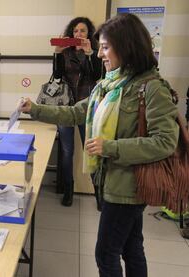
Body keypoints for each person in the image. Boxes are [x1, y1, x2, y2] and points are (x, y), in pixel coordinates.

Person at [21, 13, 179, 277]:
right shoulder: (108, 85)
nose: (100, 54)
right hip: (109, 182)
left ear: (126, 47)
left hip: (126, 187)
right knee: (131, 248)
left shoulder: (152, 88)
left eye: (105, 47)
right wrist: (34, 109)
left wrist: (111, 147)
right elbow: (74, 113)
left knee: (106, 254)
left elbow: (165, 142)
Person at [53, 17, 102, 207]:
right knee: (66, 151)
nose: (78, 34)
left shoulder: (95, 52)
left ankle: (98, 193)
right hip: (66, 106)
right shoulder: (65, 53)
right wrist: (57, 53)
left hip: (87, 108)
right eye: (75, 31)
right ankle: (68, 191)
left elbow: (98, 75)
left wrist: (90, 53)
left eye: (82, 31)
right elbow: (57, 76)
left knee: (90, 150)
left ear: (88, 33)